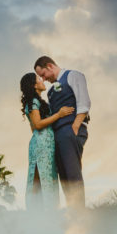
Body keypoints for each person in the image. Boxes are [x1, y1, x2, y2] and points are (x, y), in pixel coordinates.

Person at [33, 56, 90, 210]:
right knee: (64, 176)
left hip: (70, 130)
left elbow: (84, 103)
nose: (44, 79)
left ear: (50, 66)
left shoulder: (73, 76)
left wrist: (75, 128)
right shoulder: (51, 91)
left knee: (73, 173)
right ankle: (72, 212)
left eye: (43, 74)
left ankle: (80, 214)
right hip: (57, 135)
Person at [19, 72, 74, 209]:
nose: (42, 80)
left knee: (49, 177)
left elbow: (34, 127)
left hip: (47, 143)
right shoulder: (33, 102)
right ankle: (34, 211)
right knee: (39, 177)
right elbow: (37, 125)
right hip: (41, 144)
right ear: (34, 85)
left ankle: (48, 210)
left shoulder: (39, 101)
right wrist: (59, 114)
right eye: (39, 79)